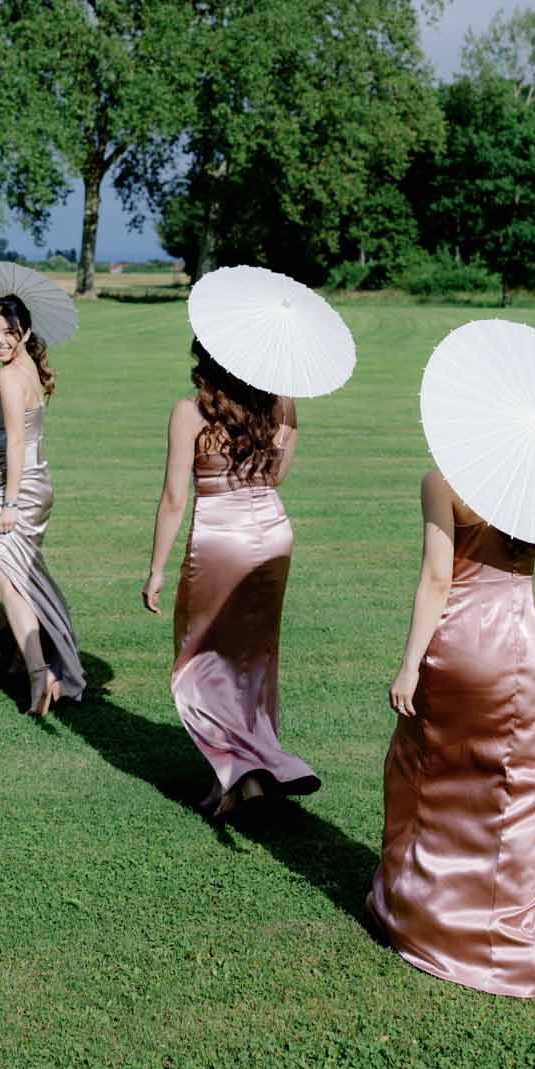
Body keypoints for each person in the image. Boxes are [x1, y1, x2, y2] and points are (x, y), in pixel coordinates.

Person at [367, 470, 535, 1000]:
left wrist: (409, 665)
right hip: (523, 643)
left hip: (462, 641)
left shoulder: (442, 481)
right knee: (522, 788)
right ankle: (520, 931)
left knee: (429, 777)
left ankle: (427, 916)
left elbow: (437, 579)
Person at [142, 339, 318, 817]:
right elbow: (276, 475)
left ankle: (238, 772)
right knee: (253, 658)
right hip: (274, 534)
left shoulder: (191, 411)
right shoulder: (280, 404)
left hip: (222, 538)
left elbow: (175, 497)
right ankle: (250, 774)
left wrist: (157, 568)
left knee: (198, 661)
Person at [0, 295, 83, 715]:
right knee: (21, 574)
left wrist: (10, 504)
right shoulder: (24, 369)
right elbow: (2, 427)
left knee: (10, 581)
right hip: (35, 480)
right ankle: (22, 656)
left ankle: (42, 675)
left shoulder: (11, 377)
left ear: (26, 333)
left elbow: (15, 441)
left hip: (20, 486)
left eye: (8, 333)